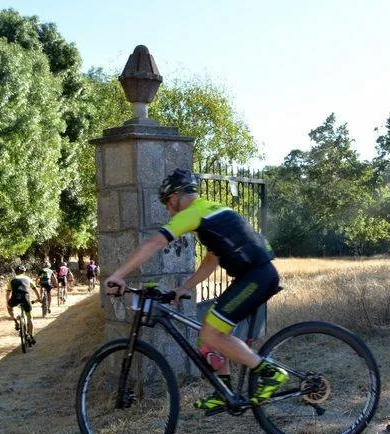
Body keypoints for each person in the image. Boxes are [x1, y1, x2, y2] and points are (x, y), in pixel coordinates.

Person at [104, 168, 287, 413]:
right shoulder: (210, 212)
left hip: (256, 277)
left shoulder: (193, 213)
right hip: (254, 275)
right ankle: (223, 391)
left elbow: (154, 242)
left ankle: (271, 372)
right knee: (208, 334)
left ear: (175, 197)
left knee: (211, 332)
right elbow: (211, 260)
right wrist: (183, 288)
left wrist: (118, 275)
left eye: (167, 204)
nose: (169, 211)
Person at [6, 265, 37, 345]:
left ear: (15, 272)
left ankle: (16, 321)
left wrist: (8, 302)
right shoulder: (28, 278)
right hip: (26, 299)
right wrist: (39, 298)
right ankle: (31, 336)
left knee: (9, 307)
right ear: (24, 272)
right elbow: (35, 289)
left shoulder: (12, 279)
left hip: (15, 299)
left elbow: (8, 293)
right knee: (30, 317)